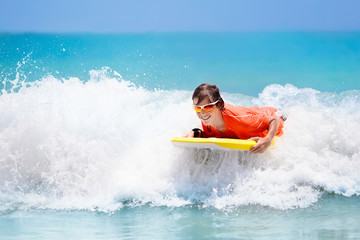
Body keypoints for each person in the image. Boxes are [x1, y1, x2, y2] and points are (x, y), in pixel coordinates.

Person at [184, 83, 285, 153]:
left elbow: (273, 119)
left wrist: (268, 139)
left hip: (276, 117)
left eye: (208, 106)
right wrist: (196, 133)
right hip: (251, 114)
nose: (202, 112)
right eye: (197, 108)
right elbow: (214, 134)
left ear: (219, 104)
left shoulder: (241, 121)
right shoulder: (208, 119)